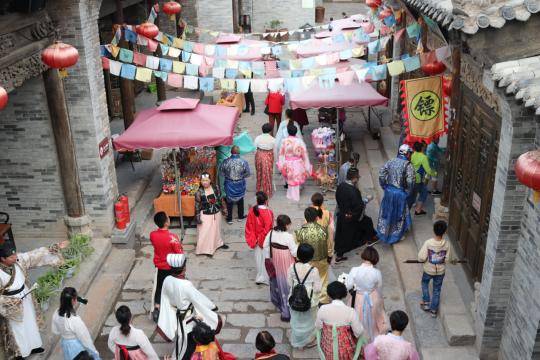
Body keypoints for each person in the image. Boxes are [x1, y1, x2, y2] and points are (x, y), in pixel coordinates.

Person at [0, 239, 67, 359]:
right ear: (3, 259)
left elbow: (35, 255)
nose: (15, 258)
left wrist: (54, 247)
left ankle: (35, 345)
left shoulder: (19, 260)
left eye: (15, 254)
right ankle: (21, 352)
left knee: (30, 322)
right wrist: (9, 302)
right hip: (11, 304)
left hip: (25, 296)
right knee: (18, 328)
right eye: (11, 257)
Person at [157, 254, 219, 360]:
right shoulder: (186, 284)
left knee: (182, 338)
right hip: (188, 318)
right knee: (189, 341)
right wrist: (211, 306)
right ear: (184, 267)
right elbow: (197, 298)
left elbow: (164, 297)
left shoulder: (167, 279)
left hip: (177, 315)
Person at [335, 168, 377, 262]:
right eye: (358, 177)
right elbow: (359, 206)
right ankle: (340, 255)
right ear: (355, 178)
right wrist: (367, 199)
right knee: (347, 236)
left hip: (342, 214)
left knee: (366, 222)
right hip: (351, 217)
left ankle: (372, 237)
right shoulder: (354, 191)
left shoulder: (341, 186)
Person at [345, 247, 387, 342]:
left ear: (363, 256)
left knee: (357, 317)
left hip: (358, 297)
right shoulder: (377, 272)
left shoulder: (354, 270)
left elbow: (349, 286)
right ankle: (372, 334)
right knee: (373, 316)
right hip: (372, 296)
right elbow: (379, 288)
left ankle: (357, 336)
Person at [316, 281, 366, 360]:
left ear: (329, 295)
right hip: (345, 350)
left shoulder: (322, 309)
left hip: (328, 346)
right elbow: (358, 332)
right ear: (344, 295)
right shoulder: (350, 311)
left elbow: (318, 327)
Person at [376, 144, 415, 244]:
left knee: (388, 211)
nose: (410, 155)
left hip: (389, 191)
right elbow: (410, 181)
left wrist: (384, 186)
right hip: (400, 194)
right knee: (399, 215)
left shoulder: (391, 161)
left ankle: (385, 232)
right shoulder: (408, 165)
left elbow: (381, 174)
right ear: (406, 154)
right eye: (410, 153)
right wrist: (408, 192)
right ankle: (396, 235)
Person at [150, 211, 184, 322]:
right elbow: (179, 253)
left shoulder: (153, 235)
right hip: (171, 267)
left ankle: (157, 308)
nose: (169, 219)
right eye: (168, 218)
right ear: (166, 223)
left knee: (159, 287)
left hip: (160, 266)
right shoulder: (172, 238)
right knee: (174, 287)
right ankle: (175, 306)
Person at [263, 215, 298, 321]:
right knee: (288, 285)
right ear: (286, 225)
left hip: (275, 261)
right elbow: (294, 252)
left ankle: (280, 303)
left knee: (278, 282)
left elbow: (265, 246)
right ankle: (287, 311)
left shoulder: (271, 233)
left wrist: (270, 258)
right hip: (286, 261)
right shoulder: (288, 237)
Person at [287, 244, 322, 349]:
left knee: (296, 319)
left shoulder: (292, 267)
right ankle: (307, 340)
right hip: (309, 300)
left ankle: (297, 339)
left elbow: (289, 283)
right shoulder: (313, 270)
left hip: (295, 297)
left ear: (298, 255)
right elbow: (317, 288)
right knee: (309, 321)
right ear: (311, 257)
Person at [52, 287, 101, 360]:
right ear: (73, 300)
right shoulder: (74, 320)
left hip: (65, 344)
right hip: (77, 348)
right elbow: (86, 340)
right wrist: (95, 353)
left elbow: (55, 331)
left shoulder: (56, 312)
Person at [418, 220, 454, 317]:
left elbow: (421, 257)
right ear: (444, 232)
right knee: (437, 290)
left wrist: (425, 259)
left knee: (424, 283)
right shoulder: (447, 244)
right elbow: (448, 259)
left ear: (433, 230)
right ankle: (433, 310)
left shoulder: (428, 243)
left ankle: (426, 303)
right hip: (440, 271)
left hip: (428, 270)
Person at [294, 207, 331, 304]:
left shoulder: (300, 232)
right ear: (316, 218)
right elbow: (329, 244)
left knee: (308, 278)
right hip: (322, 259)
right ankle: (323, 299)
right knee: (323, 279)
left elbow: (296, 247)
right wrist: (330, 255)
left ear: (305, 218)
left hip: (307, 261)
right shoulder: (323, 230)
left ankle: (309, 296)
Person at [245, 191, 274, 285]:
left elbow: (249, 225)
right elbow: (268, 228)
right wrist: (261, 238)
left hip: (256, 239)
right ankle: (265, 278)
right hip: (264, 240)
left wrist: (255, 239)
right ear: (266, 201)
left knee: (258, 258)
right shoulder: (268, 212)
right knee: (266, 259)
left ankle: (259, 276)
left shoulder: (252, 211)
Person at [195, 173, 227, 256]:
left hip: (216, 213)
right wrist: (198, 217)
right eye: (203, 180)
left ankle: (218, 244)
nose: (205, 182)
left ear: (210, 180)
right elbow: (197, 205)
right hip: (205, 214)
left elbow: (220, 198)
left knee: (216, 230)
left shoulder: (215, 188)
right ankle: (206, 249)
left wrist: (224, 208)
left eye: (206, 180)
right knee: (205, 232)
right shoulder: (199, 192)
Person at [277, 124, 312, 202]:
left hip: (287, 162)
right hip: (297, 162)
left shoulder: (284, 141)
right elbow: (304, 154)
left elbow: (281, 154)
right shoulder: (299, 141)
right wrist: (307, 165)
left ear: (288, 132)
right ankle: (295, 195)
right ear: (296, 132)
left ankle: (290, 194)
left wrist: (281, 164)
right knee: (296, 178)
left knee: (290, 178)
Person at [220, 145, 251, 225]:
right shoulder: (243, 162)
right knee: (241, 199)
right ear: (239, 152)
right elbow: (247, 174)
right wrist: (240, 177)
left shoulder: (225, 161)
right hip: (240, 183)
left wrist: (229, 176)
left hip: (229, 183)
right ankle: (240, 216)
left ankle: (229, 218)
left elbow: (221, 173)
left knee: (229, 200)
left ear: (231, 152)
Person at [409, 142, 436, 215]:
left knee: (419, 193)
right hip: (417, 179)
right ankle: (414, 210)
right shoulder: (423, 157)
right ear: (422, 148)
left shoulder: (412, 155)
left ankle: (416, 209)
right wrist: (435, 173)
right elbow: (428, 170)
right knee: (419, 194)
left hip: (411, 178)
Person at [310, 192, 335, 261]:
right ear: (322, 202)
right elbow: (331, 228)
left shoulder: (309, 211)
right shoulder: (327, 212)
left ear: (312, 202)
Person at [254, 123, 276, 198]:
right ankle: (267, 191)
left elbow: (255, 149)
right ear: (270, 131)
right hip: (269, 156)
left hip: (259, 155)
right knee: (268, 173)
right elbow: (275, 150)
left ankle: (259, 189)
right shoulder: (273, 139)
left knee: (259, 173)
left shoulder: (258, 138)